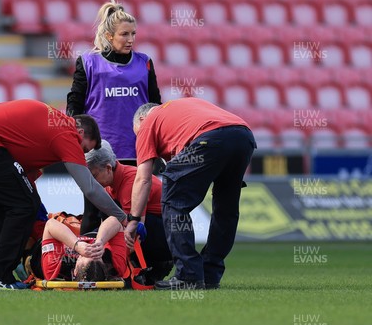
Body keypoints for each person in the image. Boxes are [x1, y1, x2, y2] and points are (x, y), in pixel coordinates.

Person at [0, 99, 127, 290]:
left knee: (2, 208)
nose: (81, 156)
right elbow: (90, 188)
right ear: (80, 132)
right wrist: (122, 216)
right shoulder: (67, 132)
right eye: (84, 150)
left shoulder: (51, 125)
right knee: (24, 207)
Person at [126, 99, 256, 290]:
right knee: (225, 210)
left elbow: (143, 178)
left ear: (143, 119)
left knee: (172, 200)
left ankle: (188, 275)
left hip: (209, 138)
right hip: (243, 136)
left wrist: (134, 219)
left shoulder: (149, 123)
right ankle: (210, 274)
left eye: (138, 133)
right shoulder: (180, 110)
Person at [66, 0, 161, 162]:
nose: (130, 39)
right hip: (99, 151)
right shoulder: (88, 62)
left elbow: (155, 106)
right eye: (124, 34)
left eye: (133, 33)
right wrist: (78, 140)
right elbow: (75, 104)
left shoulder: (144, 62)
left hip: (139, 148)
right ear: (109, 36)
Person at [84, 140, 173, 284]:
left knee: (126, 227)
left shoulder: (130, 182)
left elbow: (136, 230)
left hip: (165, 234)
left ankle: (156, 265)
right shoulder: (111, 184)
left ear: (108, 168)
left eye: (93, 176)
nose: (91, 183)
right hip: (158, 228)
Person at [36, 215, 126, 282]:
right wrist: (100, 242)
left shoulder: (55, 271)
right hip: (94, 232)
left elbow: (50, 224)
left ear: (75, 271)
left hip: (58, 234)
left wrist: (77, 246)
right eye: (96, 254)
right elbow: (114, 221)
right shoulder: (116, 266)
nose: (90, 249)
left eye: (83, 256)